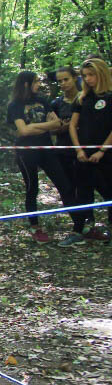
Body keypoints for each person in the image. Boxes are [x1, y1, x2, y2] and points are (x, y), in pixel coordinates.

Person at [6, 70, 84, 243]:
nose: (38, 84)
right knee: (32, 188)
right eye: (35, 82)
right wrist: (46, 125)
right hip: (26, 153)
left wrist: (35, 126)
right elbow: (23, 130)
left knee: (65, 185)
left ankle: (79, 227)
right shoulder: (15, 105)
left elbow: (56, 123)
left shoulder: (42, 100)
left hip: (47, 149)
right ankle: (35, 228)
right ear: (26, 84)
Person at [52, 66, 103, 242]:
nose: (63, 84)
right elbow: (53, 128)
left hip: (86, 152)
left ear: (75, 78)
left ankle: (89, 226)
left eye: (66, 79)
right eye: (59, 81)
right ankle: (77, 227)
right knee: (68, 190)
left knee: (86, 188)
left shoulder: (87, 98)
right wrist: (60, 127)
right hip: (64, 152)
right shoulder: (56, 104)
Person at [66, 58, 112, 246]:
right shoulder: (82, 98)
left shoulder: (110, 96)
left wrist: (102, 150)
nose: (88, 79)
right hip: (84, 154)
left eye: (91, 75)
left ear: (101, 74)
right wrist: (78, 149)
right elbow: (72, 125)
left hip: (106, 154)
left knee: (109, 191)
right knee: (82, 193)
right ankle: (80, 229)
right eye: (85, 76)